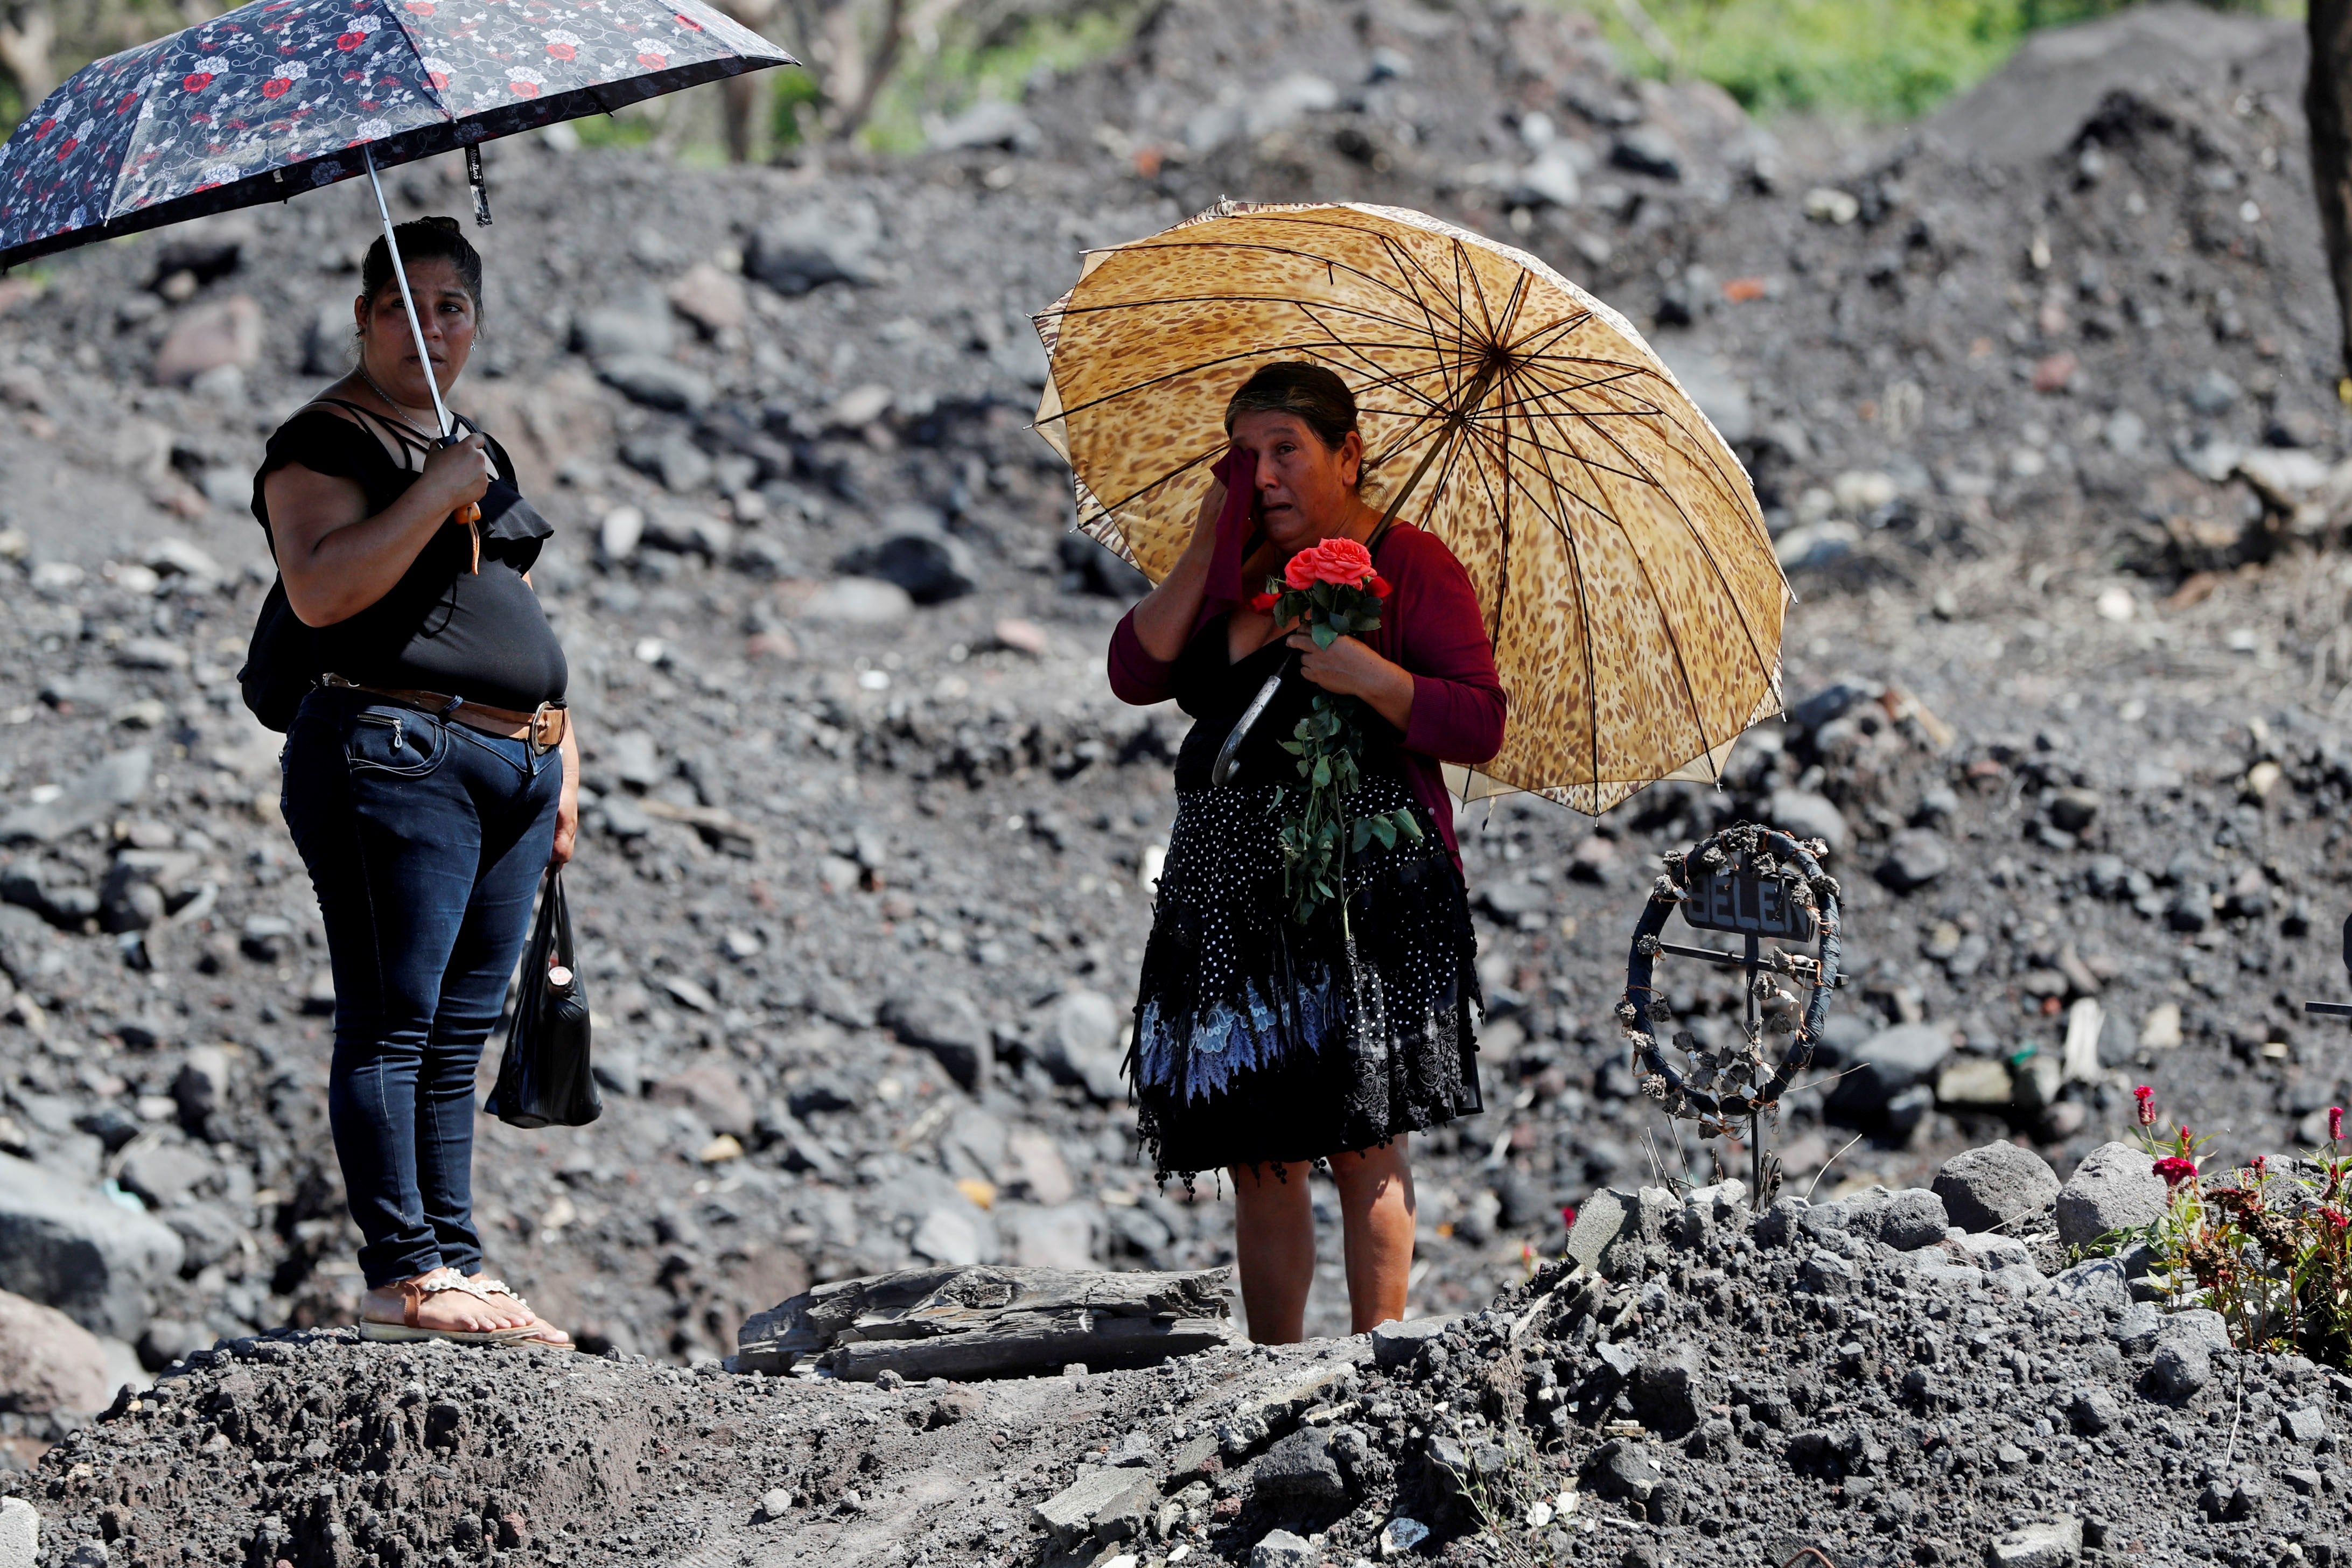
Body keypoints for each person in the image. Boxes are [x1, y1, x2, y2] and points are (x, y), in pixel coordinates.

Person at [1107, 362, 1506, 1341]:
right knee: (1261, 1149)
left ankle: (1376, 1368)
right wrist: (1212, 531)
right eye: (1246, 454)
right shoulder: (1238, 566)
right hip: (1228, 888)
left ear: (1349, 453)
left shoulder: (1413, 564)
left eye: (1286, 449)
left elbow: (1480, 722)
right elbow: (1134, 671)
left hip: (1357, 884)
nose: (1266, 472)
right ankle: (1271, 1372)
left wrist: (1370, 675)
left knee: (1364, 1135)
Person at [254, 217, 579, 1346]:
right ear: (363, 318)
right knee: (393, 1020)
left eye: (452, 307)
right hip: (393, 751)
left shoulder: (470, 444)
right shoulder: (320, 441)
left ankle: (459, 1266)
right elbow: (320, 590)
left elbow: (514, 605)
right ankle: (401, 1272)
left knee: (458, 1032)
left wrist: (561, 749)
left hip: (514, 763)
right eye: (402, 305)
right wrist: (436, 491)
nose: (428, 328)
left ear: (476, 323)